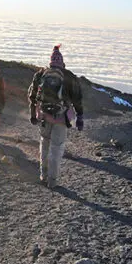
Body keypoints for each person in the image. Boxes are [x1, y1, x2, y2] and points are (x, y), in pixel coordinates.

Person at [28, 45, 84, 189]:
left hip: (44, 116)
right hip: (61, 118)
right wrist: (80, 117)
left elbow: (32, 96)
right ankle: (52, 182)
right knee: (56, 149)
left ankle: (43, 176)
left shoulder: (40, 74)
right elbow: (77, 99)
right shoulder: (69, 76)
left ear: (50, 60)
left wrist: (33, 114)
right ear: (62, 61)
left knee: (44, 145)